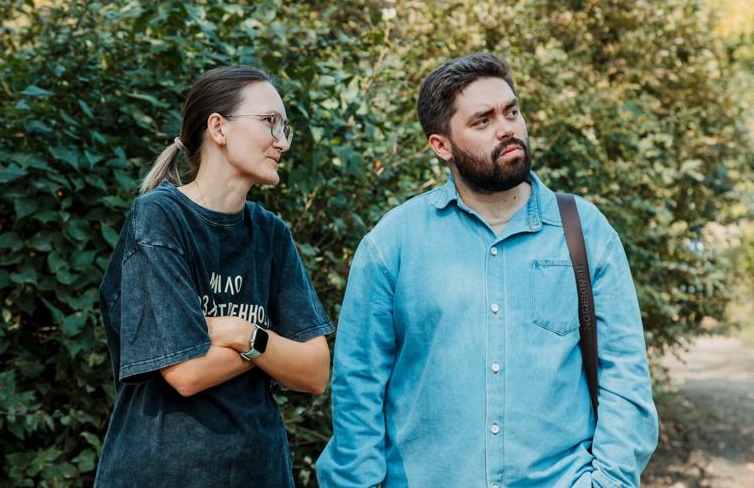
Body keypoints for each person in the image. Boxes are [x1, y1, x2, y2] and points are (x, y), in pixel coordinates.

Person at [317, 53, 658, 487]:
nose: (507, 128)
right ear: (441, 146)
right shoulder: (393, 243)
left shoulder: (583, 230)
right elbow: (358, 388)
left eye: (511, 112)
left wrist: (609, 481)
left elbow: (625, 374)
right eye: (483, 120)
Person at [94, 65, 334, 488]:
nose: (281, 141)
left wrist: (244, 333)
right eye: (269, 122)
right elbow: (187, 373)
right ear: (219, 127)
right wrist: (274, 350)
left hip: (259, 472)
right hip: (162, 473)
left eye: (284, 128)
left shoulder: (271, 233)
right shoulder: (159, 217)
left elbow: (314, 371)